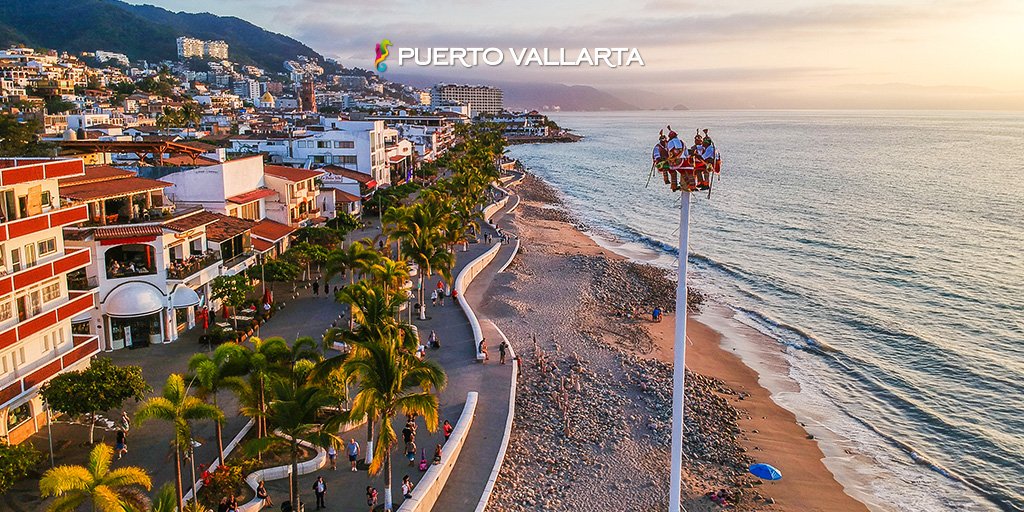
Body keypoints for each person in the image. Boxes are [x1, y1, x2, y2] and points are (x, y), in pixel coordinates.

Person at [665, 127, 687, 192]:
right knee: (683, 172)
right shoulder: (682, 142)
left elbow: (669, 152)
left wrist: (669, 159)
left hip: (674, 162)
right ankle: (690, 185)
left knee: (668, 169)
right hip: (682, 161)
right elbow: (686, 154)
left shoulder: (670, 142)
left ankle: (672, 184)